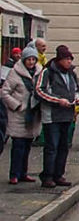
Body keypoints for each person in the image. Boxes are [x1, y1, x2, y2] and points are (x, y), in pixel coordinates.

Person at [35, 45, 79, 187]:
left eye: (70, 59)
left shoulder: (71, 73)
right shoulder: (48, 72)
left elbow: (77, 89)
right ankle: (47, 176)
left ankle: (59, 174)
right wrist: (58, 100)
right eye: (66, 59)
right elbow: (39, 91)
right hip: (52, 116)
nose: (69, 62)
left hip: (67, 114)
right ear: (59, 59)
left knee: (64, 146)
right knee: (52, 146)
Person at [2, 45, 42, 183]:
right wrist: (16, 105)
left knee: (27, 146)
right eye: (29, 59)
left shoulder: (39, 72)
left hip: (33, 114)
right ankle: (14, 174)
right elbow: (4, 92)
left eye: (33, 59)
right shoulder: (15, 73)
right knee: (18, 146)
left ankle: (23, 173)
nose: (31, 62)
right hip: (18, 115)